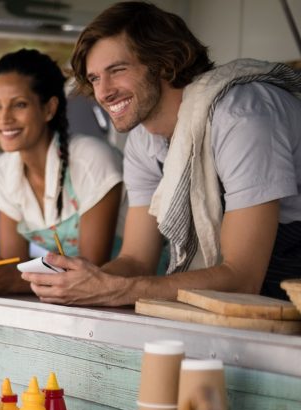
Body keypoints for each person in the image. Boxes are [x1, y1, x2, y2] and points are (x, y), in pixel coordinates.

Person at [23, 1, 301, 305]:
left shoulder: (241, 116)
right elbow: (136, 260)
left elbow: (242, 278)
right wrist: (84, 282)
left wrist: (112, 289)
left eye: (117, 70)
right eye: (95, 78)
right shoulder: (145, 141)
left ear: (164, 62)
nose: (103, 92)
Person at [0, 48, 123, 296]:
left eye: (19, 104)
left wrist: (15, 281)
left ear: (49, 109)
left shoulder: (91, 159)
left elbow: (92, 273)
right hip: (77, 303)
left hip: (139, 297)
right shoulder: (4, 173)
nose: (4, 118)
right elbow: (12, 265)